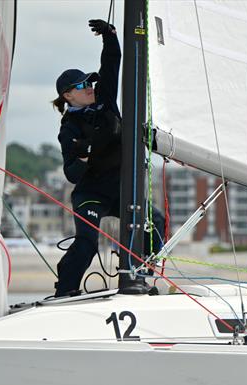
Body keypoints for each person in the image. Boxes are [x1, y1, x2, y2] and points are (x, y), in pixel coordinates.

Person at [52, 19, 164, 296]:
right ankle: (64, 290)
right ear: (68, 95)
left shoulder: (105, 100)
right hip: (91, 192)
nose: (89, 86)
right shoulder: (68, 129)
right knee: (88, 242)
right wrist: (85, 159)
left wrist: (110, 37)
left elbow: (112, 64)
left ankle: (139, 276)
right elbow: (70, 172)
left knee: (156, 223)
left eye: (88, 81)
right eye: (81, 85)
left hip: (121, 188)